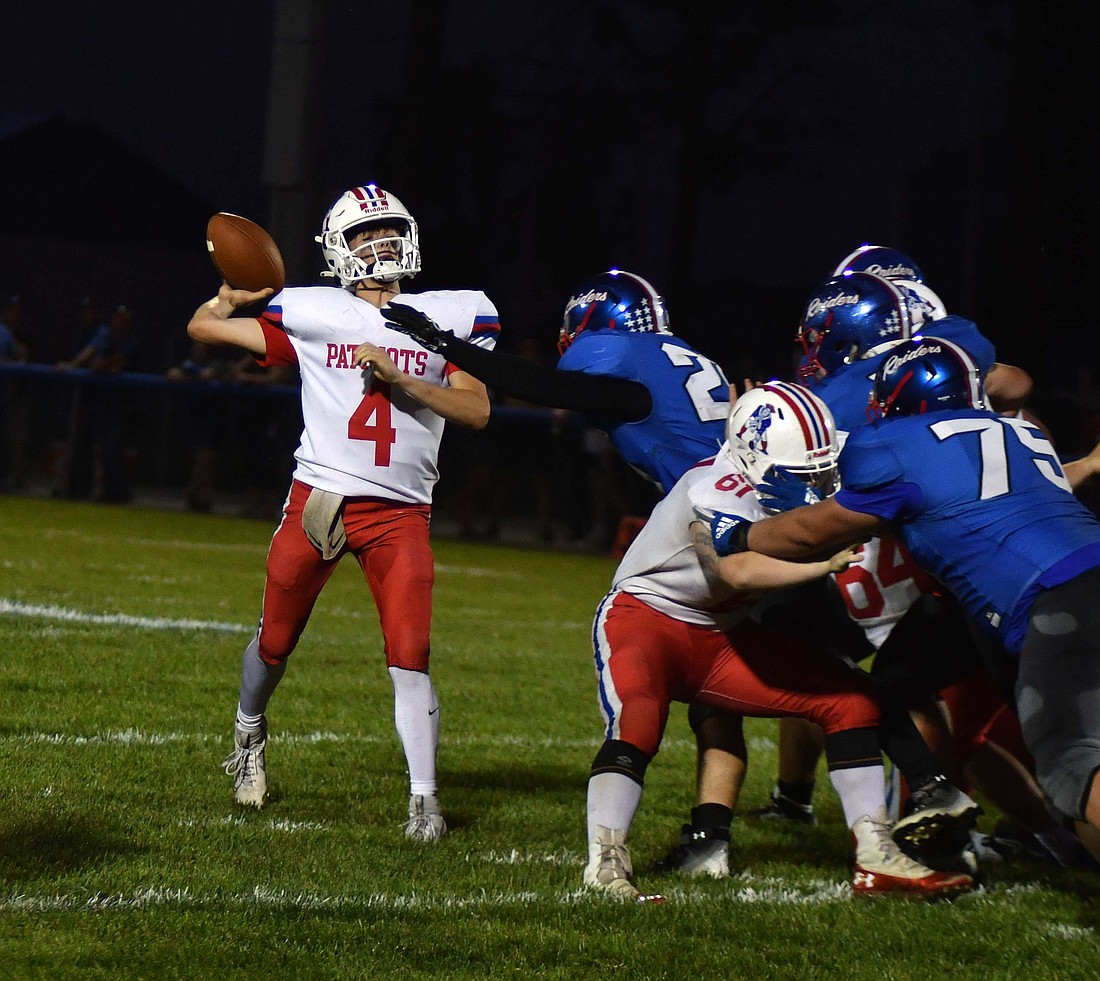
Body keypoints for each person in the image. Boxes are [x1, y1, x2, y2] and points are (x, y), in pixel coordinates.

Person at [381, 269, 749, 866]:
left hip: (713, 526)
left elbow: (545, 386)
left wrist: (446, 345)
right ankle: (713, 837)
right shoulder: (677, 356)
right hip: (741, 514)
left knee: (631, 634)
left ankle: (620, 834)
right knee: (731, 685)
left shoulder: (621, 357)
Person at [187, 183, 498, 840]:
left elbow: (477, 409)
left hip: (401, 513)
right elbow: (203, 328)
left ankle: (424, 800)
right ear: (339, 249)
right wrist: (229, 294)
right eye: (363, 234)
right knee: (275, 640)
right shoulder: (310, 309)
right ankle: (248, 735)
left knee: (410, 652)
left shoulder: (449, 315)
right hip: (319, 498)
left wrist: (404, 378)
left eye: (387, 230)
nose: (378, 242)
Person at [581, 381, 973, 900]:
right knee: (638, 722)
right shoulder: (712, 488)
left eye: (821, 469)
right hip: (647, 620)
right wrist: (820, 563)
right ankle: (606, 864)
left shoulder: (793, 456)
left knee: (852, 700)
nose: (818, 484)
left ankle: (876, 857)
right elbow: (736, 572)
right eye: (802, 475)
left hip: (723, 636)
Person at [738, 336, 1100, 859]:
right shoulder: (1026, 434)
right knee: (893, 684)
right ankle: (951, 796)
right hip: (1071, 578)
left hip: (1052, 598)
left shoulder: (893, 442)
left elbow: (813, 532)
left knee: (1076, 763)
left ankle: (1031, 828)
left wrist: (736, 535)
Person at [745, 257, 1033, 849]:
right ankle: (988, 822)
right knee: (893, 683)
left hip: (976, 568)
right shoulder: (955, 354)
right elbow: (1013, 382)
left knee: (1034, 727)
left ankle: (1012, 827)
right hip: (981, 560)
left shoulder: (849, 392)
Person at [55, 303, 138, 502]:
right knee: (90, 446)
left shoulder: (130, 342)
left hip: (122, 404)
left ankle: (118, 493)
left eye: (124, 318)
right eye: (118, 317)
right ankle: (82, 489)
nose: (120, 321)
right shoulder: (105, 337)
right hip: (100, 402)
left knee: (112, 449)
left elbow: (115, 366)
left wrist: (104, 365)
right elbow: (95, 363)